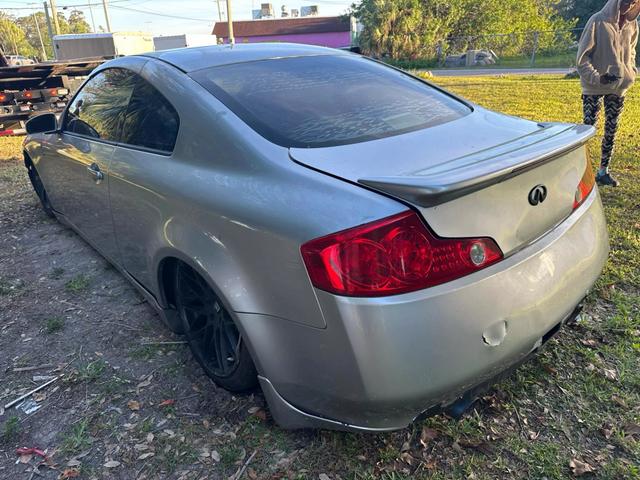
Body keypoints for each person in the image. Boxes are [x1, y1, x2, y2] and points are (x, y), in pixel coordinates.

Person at [577, 0, 640, 187]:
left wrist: (631, 71)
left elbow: (631, 52)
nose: (629, 5)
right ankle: (582, 171)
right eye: (627, 1)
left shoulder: (632, 24)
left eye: (634, 2)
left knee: (612, 128)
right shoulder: (597, 21)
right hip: (593, 86)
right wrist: (597, 78)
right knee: (588, 128)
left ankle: (603, 172)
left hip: (619, 85)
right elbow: (582, 58)